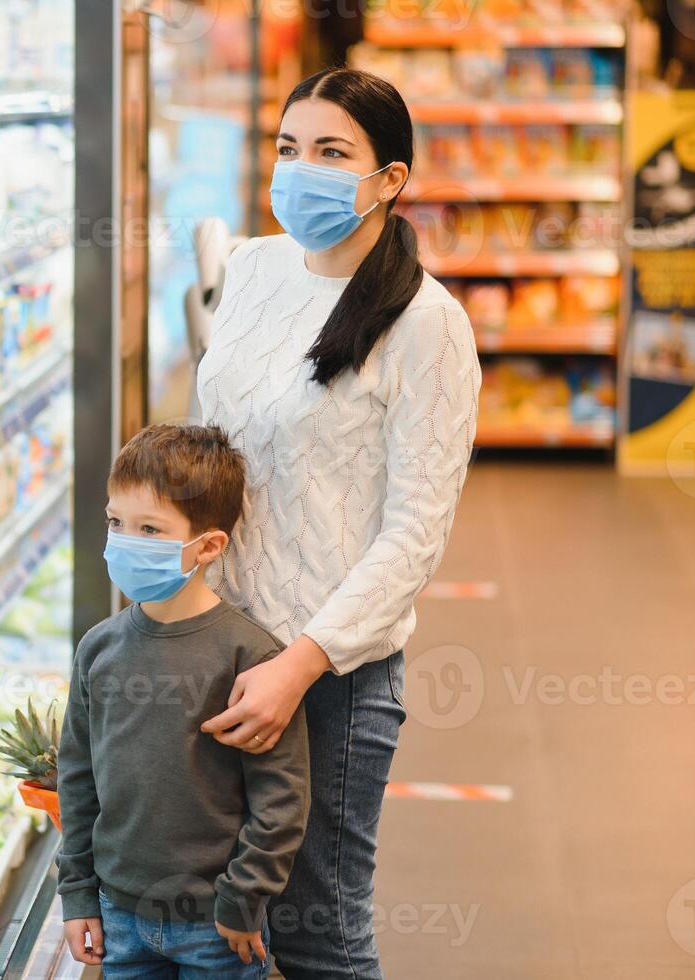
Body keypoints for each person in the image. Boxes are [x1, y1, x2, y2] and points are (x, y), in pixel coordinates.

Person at [195, 67, 481, 979]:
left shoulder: (428, 325)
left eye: (330, 152)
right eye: (288, 148)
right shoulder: (252, 267)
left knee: (319, 930)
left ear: (390, 179)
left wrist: (301, 664)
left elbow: (414, 535)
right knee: (223, 915)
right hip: (219, 645)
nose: (300, 170)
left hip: (332, 674)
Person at [57, 423, 310, 978]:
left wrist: (244, 898)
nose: (125, 541)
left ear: (209, 545)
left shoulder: (251, 657)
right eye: (116, 523)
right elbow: (77, 778)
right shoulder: (98, 650)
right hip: (119, 917)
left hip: (216, 926)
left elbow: (281, 796)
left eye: (150, 529)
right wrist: (77, 894)